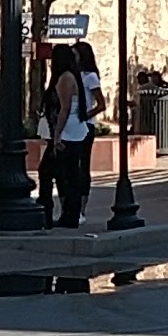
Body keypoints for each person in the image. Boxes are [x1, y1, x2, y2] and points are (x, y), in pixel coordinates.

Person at [44, 38, 94, 230]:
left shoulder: (65, 78)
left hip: (68, 131)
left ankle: (56, 213)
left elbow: (64, 109)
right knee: (68, 173)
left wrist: (57, 135)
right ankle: (68, 215)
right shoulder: (71, 76)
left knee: (53, 172)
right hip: (73, 129)